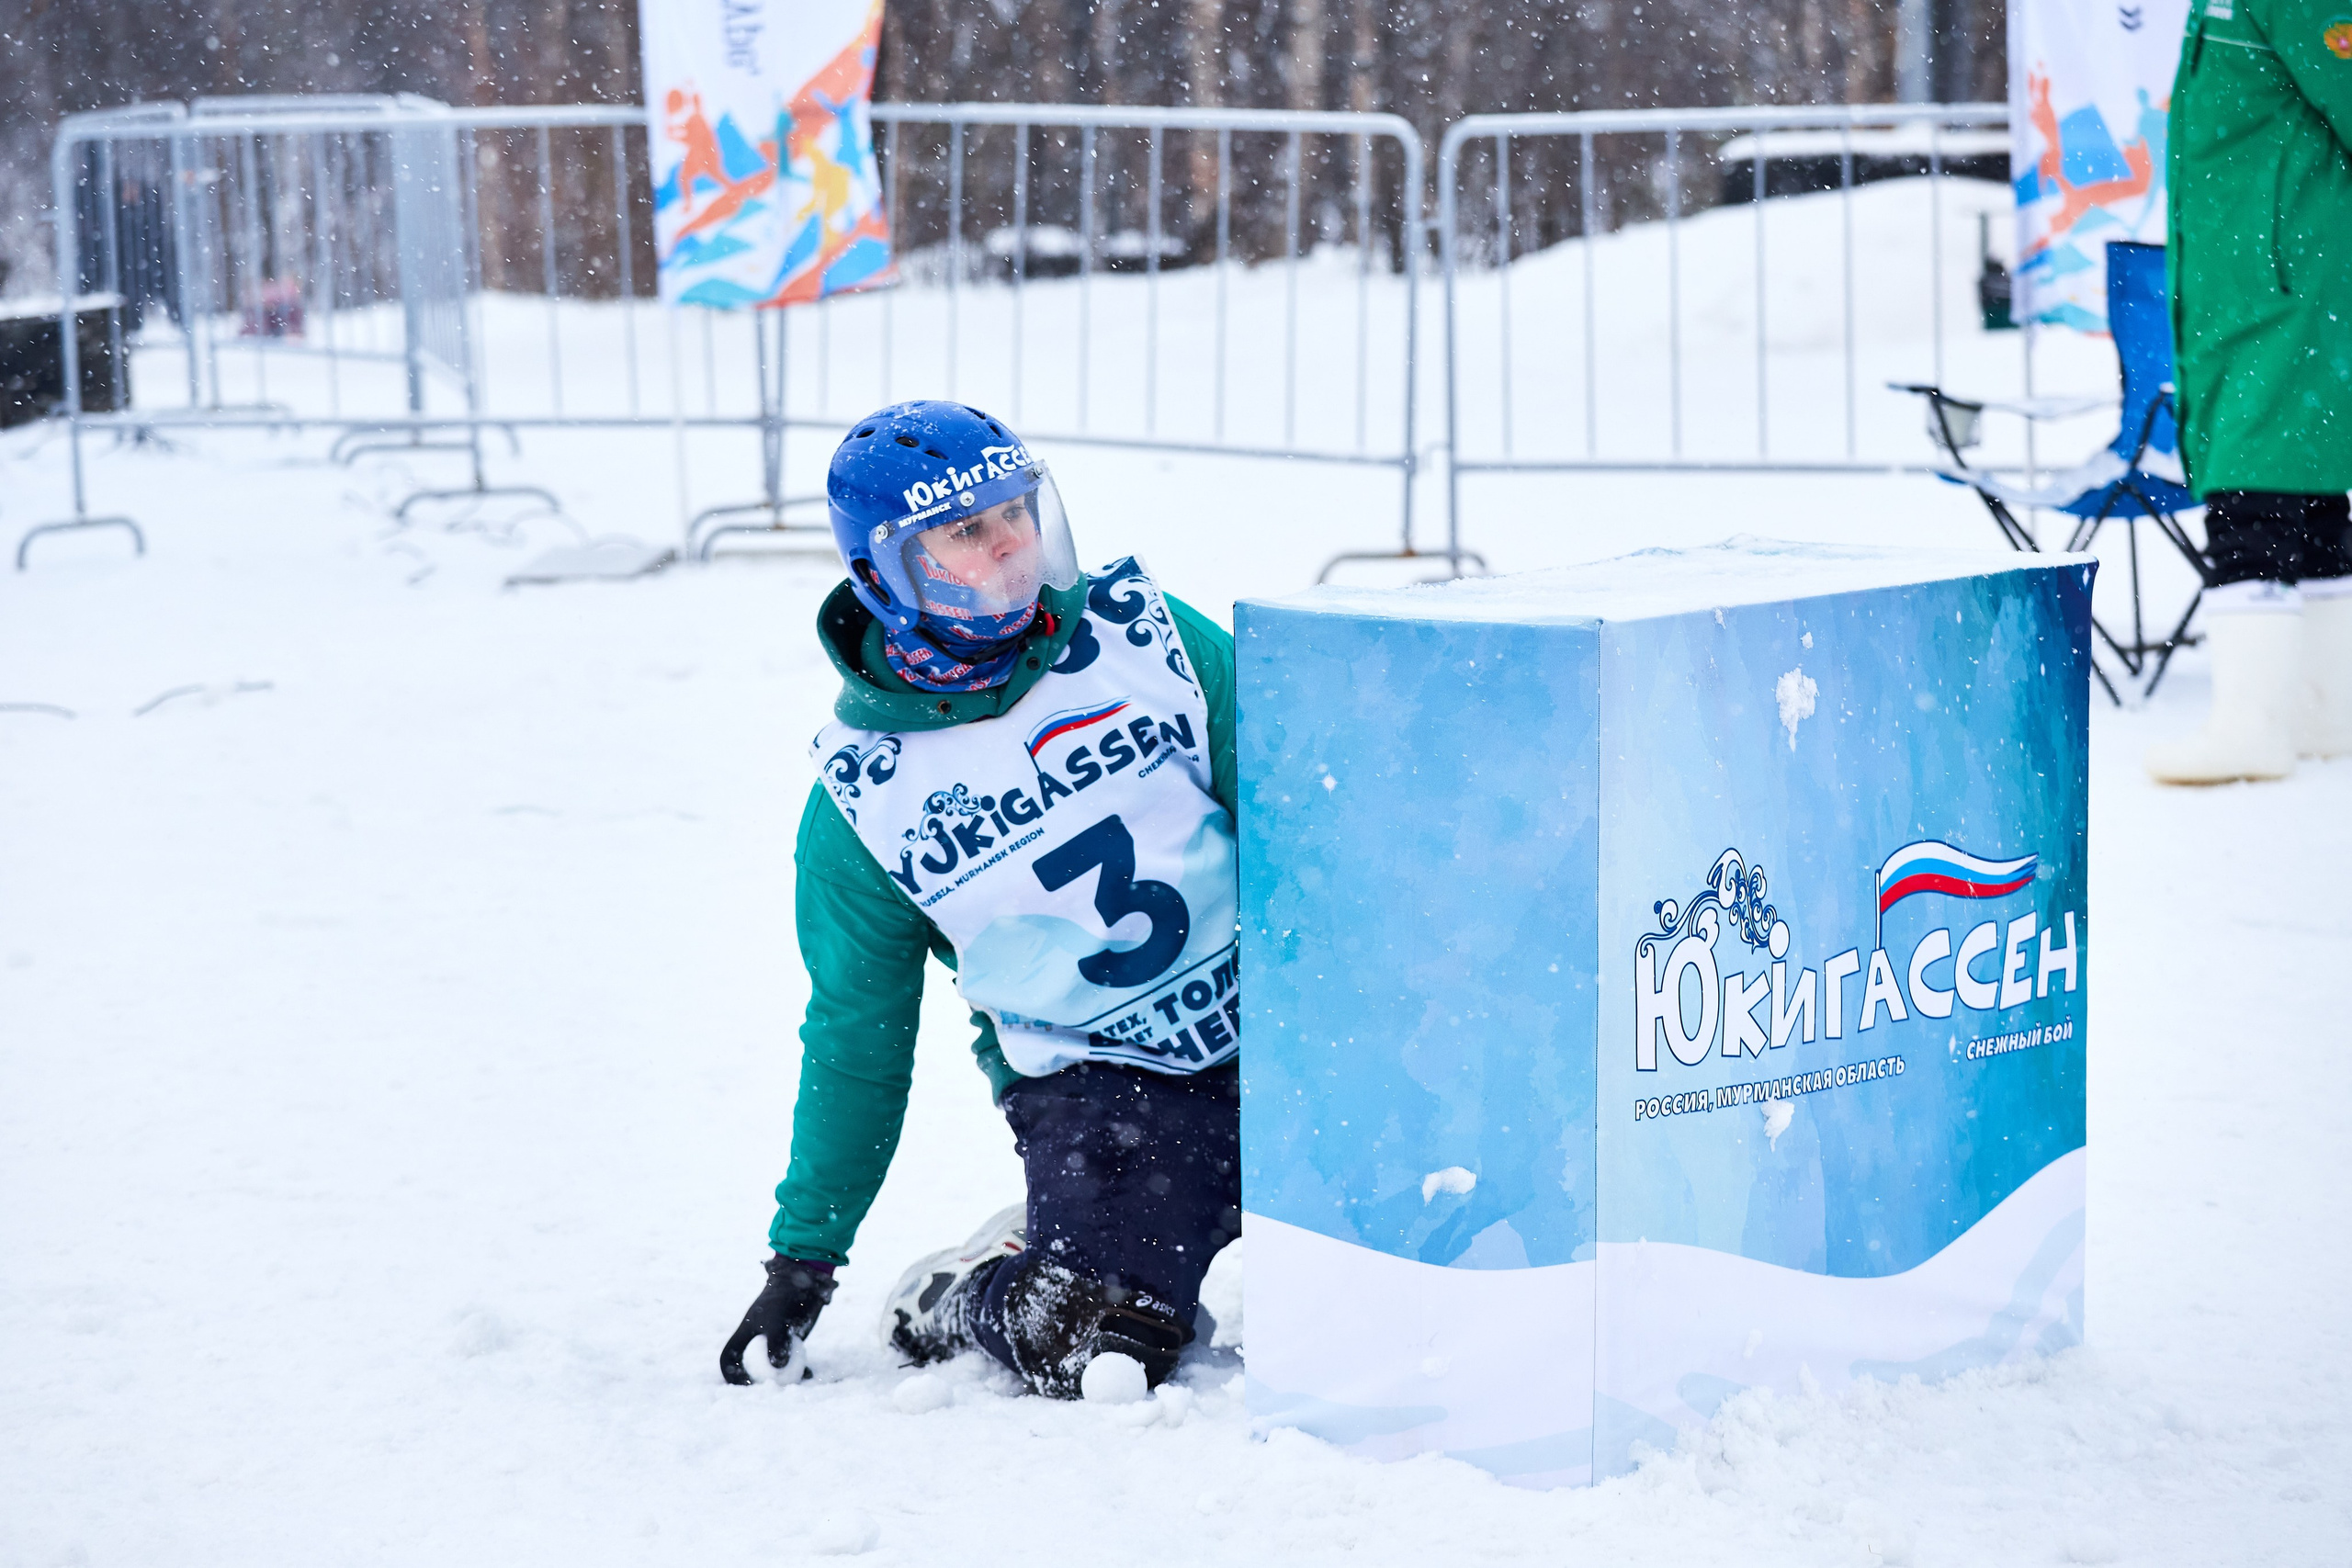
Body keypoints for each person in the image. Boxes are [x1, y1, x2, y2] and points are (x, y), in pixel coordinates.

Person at [718, 400, 1241, 1397]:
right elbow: (855, 1040)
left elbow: (1305, 821)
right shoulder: (863, 805)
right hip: (1106, 1085)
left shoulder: (1152, 642)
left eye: (1015, 511)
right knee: (1099, 1342)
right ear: (884, 574)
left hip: (1283, 1022)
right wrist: (805, 1257)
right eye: (964, 531)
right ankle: (965, 1292)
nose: (1009, 546)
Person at [2146, 0, 2352, 784]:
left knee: (2253, 495)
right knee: (2307, 491)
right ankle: (2325, 710)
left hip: (2283, 283)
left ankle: (2251, 726)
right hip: (2255, 281)